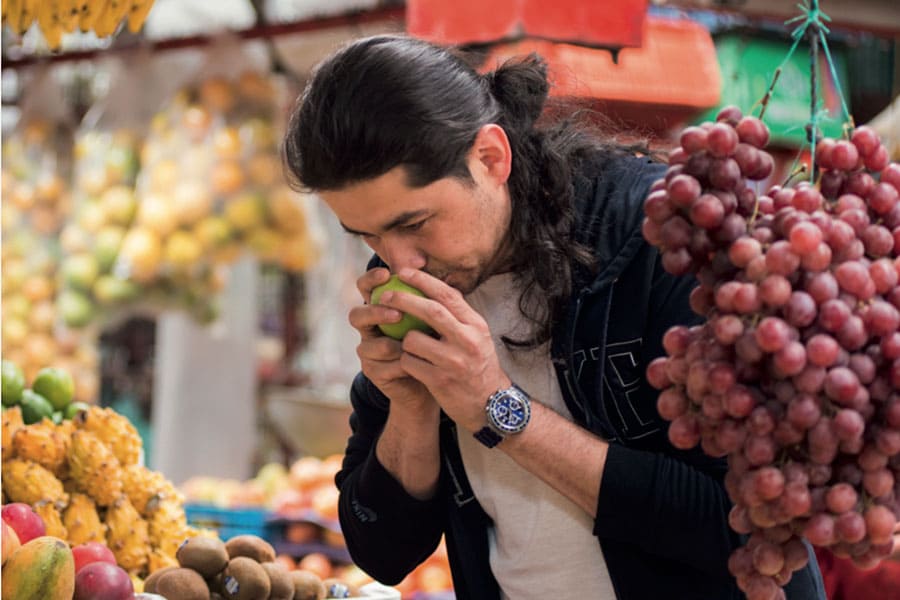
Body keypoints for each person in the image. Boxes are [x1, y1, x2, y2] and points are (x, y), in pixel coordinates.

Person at [282, 34, 826, 600]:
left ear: (490, 157)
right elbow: (384, 554)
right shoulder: (410, 279)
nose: (398, 261)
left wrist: (496, 406)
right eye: (368, 234)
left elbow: (747, 525)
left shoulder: (660, 237)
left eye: (414, 223)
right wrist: (411, 406)